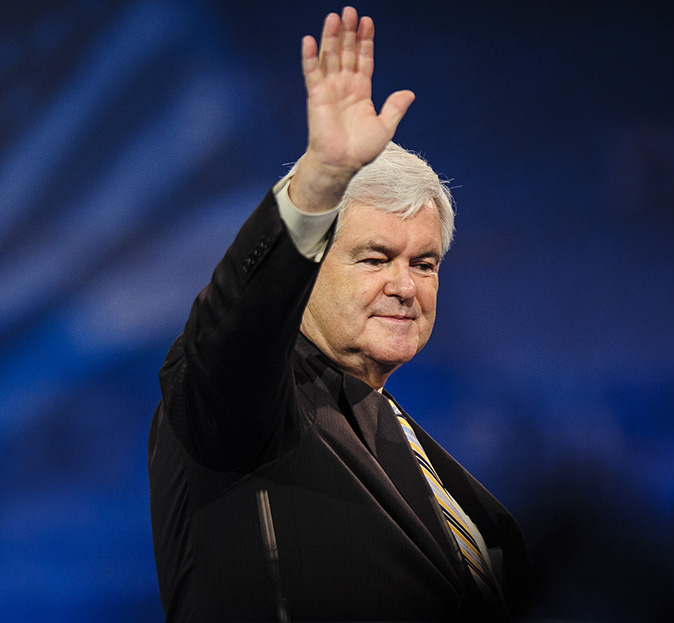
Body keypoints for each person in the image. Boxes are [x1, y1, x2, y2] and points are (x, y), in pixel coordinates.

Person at [148, 7, 530, 622]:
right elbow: (234, 326)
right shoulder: (244, 402)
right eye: (375, 258)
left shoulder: (388, 426)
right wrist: (320, 182)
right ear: (306, 270)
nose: (405, 286)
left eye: (425, 263)